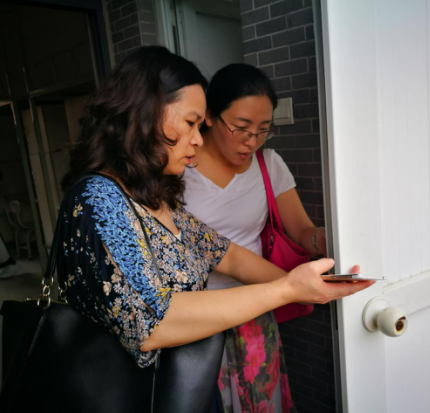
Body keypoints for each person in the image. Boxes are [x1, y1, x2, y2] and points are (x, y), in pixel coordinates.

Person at [58, 47, 373, 411]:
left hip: (184, 385)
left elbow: (228, 254)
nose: (198, 138)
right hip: (137, 395)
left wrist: (311, 287)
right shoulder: (99, 197)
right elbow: (153, 323)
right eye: (191, 123)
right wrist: (287, 289)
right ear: (145, 115)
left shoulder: (156, 199)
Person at [181, 63, 328, 413]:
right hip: (195, 313)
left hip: (256, 305)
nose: (252, 141)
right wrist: (291, 285)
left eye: (263, 130)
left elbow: (302, 231)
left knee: (261, 402)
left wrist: (325, 239)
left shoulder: (268, 164)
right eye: (241, 128)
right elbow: (220, 254)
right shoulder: (178, 167)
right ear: (210, 117)